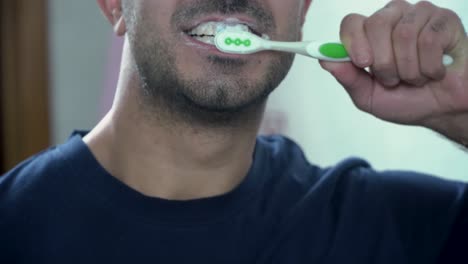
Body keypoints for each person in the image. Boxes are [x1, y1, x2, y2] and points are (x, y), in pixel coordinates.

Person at [1, 0, 467, 262]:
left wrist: (462, 115)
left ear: (301, 11)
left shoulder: (399, 231)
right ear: (114, 5)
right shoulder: (13, 227)